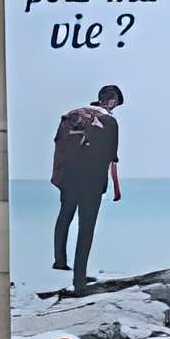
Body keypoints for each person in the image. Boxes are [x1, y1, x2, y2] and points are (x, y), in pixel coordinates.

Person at [50, 82, 123, 293]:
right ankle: (79, 279)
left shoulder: (72, 115)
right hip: (92, 181)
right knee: (86, 228)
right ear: (111, 101)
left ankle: (60, 260)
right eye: (115, 103)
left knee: (65, 214)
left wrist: (59, 176)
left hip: (69, 177)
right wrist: (114, 188)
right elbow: (112, 158)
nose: (114, 107)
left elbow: (59, 144)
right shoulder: (109, 121)